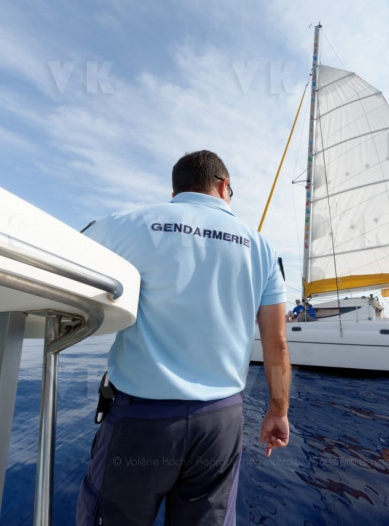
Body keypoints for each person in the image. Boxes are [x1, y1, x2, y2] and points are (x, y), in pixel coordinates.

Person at [76, 150, 291, 525]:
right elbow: (276, 343)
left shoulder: (128, 225)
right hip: (221, 422)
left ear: (175, 191)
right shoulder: (262, 248)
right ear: (224, 186)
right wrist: (278, 411)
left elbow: (65, 255)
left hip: (142, 420)